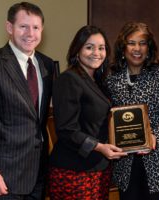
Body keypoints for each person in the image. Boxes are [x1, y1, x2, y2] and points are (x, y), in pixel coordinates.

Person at [0, 2, 54, 199]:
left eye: (36, 27)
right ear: (9, 28)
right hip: (3, 176)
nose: (30, 33)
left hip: (38, 173)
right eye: (23, 26)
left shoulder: (47, 65)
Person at [105, 21, 159, 200]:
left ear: (149, 48)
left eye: (142, 43)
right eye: (132, 43)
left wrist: (155, 135)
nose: (137, 48)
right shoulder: (112, 79)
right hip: (126, 161)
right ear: (123, 47)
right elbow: (107, 116)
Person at [48, 25, 127, 200]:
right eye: (89, 47)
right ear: (77, 50)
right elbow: (66, 130)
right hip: (74, 171)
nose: (96, 53)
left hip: (99, 168)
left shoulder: (99, 80)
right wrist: (100, 147)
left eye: (101, 48)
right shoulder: (69, 79)